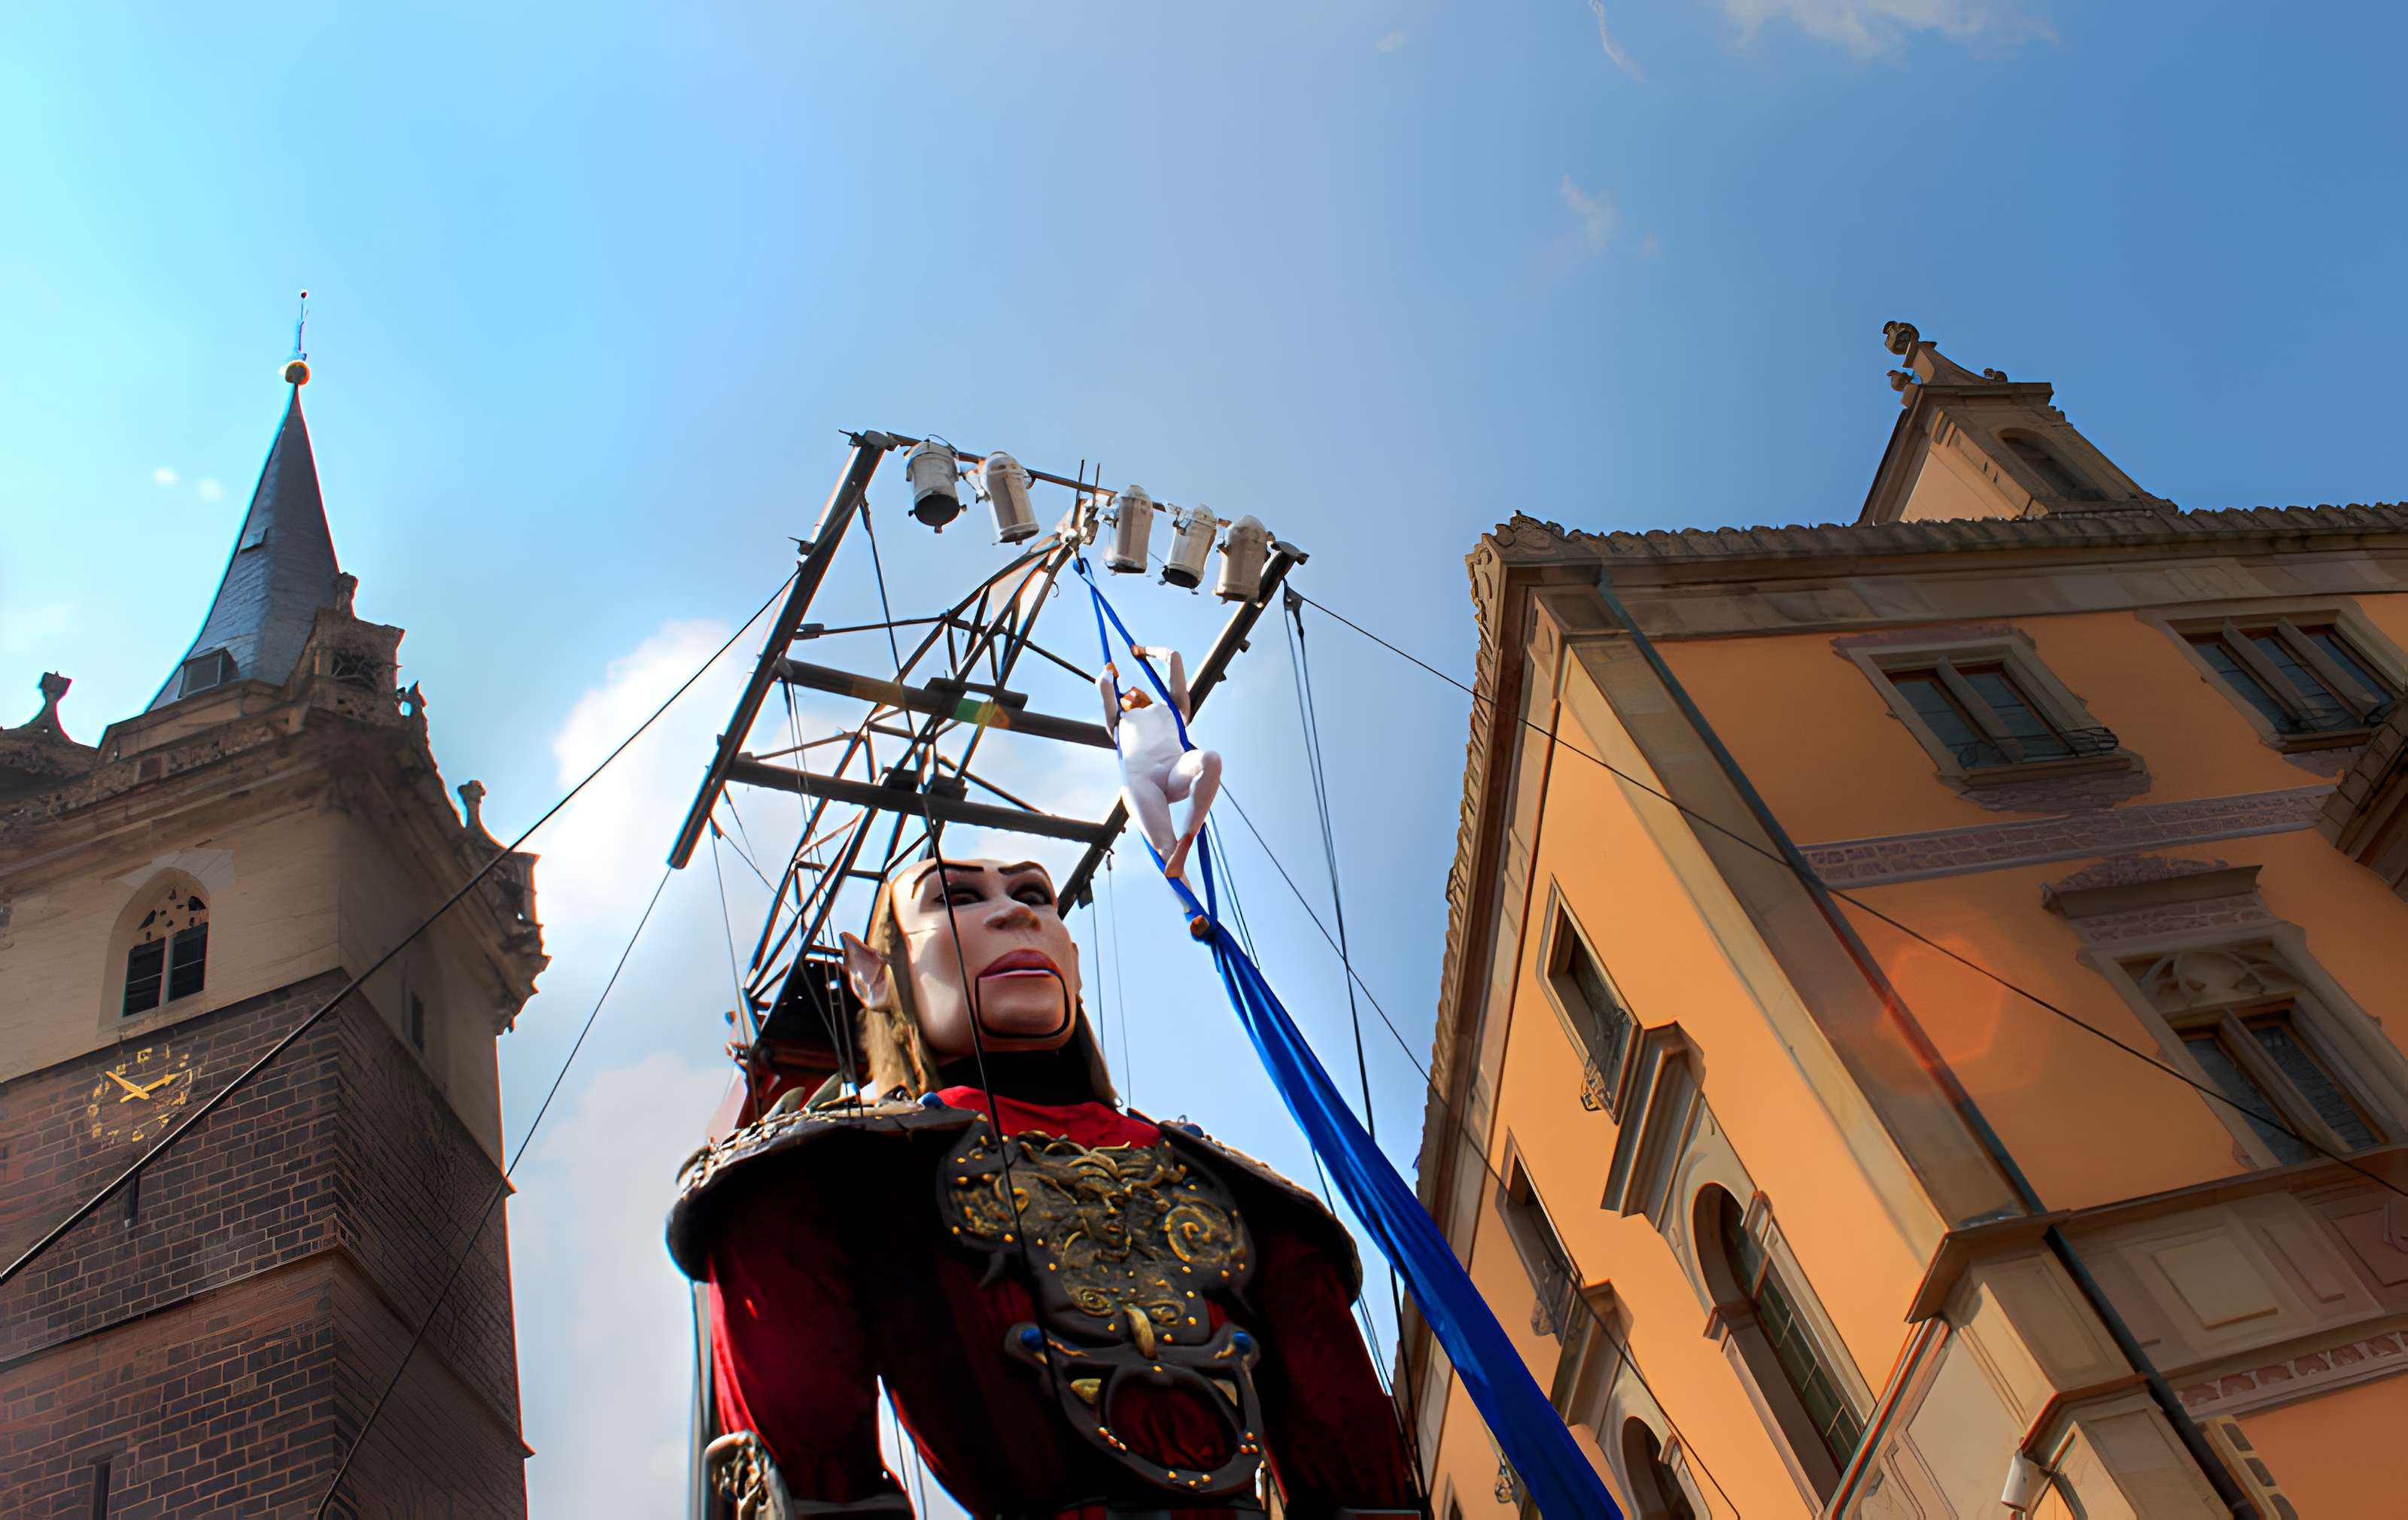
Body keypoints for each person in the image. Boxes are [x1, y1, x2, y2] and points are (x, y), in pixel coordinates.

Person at [667, 857, 1415, 1519]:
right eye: (954, 897)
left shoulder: (1244, 1195)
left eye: (1035, 895)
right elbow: (804, 1471)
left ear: (1072, 959)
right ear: (871, 972)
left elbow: (1356, 1458)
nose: (1015, 911)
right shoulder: (814, 1177)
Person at [1099, 647, 1221, 883]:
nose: (1131, 691)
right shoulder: (1117, 723)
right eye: (1124, 694)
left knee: (1211, 759)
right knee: (1165, 848)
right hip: (1142, 781)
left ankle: (1187, 837)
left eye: (1137, 690)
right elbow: (1104, 688)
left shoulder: (1172, 710)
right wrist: (1106, 675)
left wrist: (1144, 651)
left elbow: (1174, 656)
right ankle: (1193, 912)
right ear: (1121, 703)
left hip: (1176, 769)